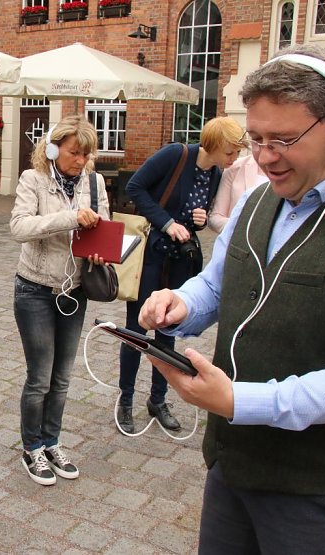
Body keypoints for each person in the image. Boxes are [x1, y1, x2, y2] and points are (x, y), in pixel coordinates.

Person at [139, 44, 325, 553]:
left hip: (317, 491)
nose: (262, 157)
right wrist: (182, 304)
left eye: (282, 139)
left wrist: (238, 401)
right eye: (255, 138)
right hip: (233, 463)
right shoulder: (258, 200)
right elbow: (216, 283)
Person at [118, 117, 245, 434]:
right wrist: (166, 222)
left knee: (169, 331)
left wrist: (199, 221)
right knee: (137, 329)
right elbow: (135, 187)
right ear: (214, 144)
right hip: (150, 258)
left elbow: (194, 219)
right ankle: (126, 400)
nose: (234, 160)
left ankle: (157, 400)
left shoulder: (216, 174)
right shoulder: (177, 154)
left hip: (180, 262)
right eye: (230, 152)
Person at [10, 115, 110, 485]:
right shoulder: (32, 180)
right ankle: (31, 447)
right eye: (73, 153)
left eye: (85, 154)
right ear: (52, 150)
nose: (80, 161)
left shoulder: (95, 183)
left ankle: (52, 441)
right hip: (35, 288)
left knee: (63, 377)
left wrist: (101, 251)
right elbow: (19, 228)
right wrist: (69, 218)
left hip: (75, 290)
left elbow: (104, 228)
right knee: (40, 377)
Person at [208, 153, 267, 233]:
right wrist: (242, 230)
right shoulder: (236, 167)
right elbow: (215, 218)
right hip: (238, 242)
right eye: (258, 140)